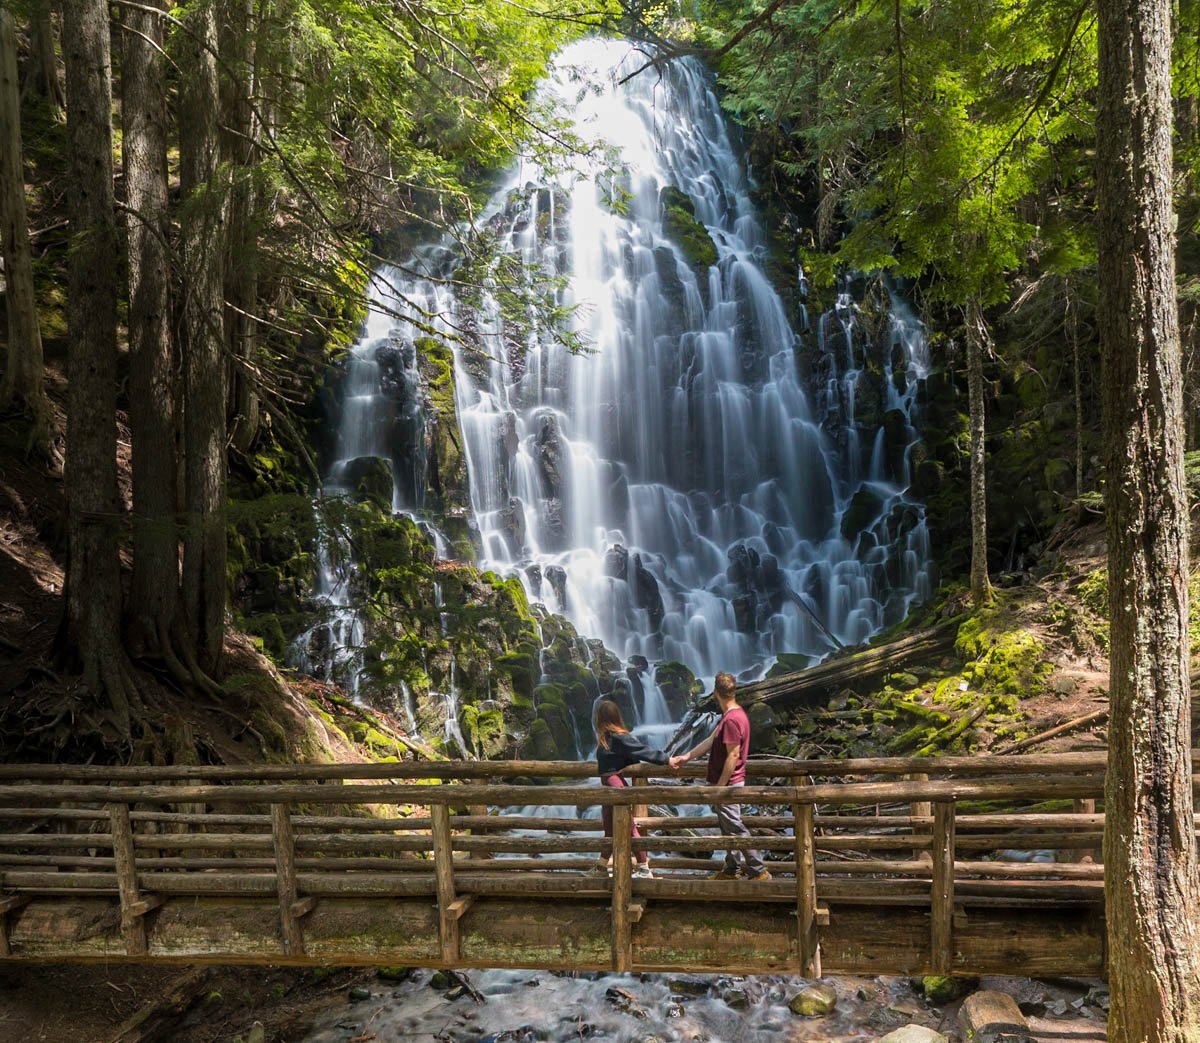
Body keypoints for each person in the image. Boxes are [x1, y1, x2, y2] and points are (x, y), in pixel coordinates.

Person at [669, 671, 770, 881]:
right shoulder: (733, 715)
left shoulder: (732, 720)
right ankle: (731, 869)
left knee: (735, 827)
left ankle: (759, 870)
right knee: (728, 828)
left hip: (729, 784)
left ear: (715, 693)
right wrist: (686, 756)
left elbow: (733, 755)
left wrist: (720, 788)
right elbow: (711, 741)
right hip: (727, 784)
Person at [592, 698, 669, 879]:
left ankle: (643, 868)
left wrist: (666, 759)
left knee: (629, 826)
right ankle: (601, 868)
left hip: (616, 787)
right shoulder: (608, 738)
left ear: (602, 718)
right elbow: (629, 758)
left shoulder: (618, 738)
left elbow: (641, 750)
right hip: (610, 788)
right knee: (609, 830)